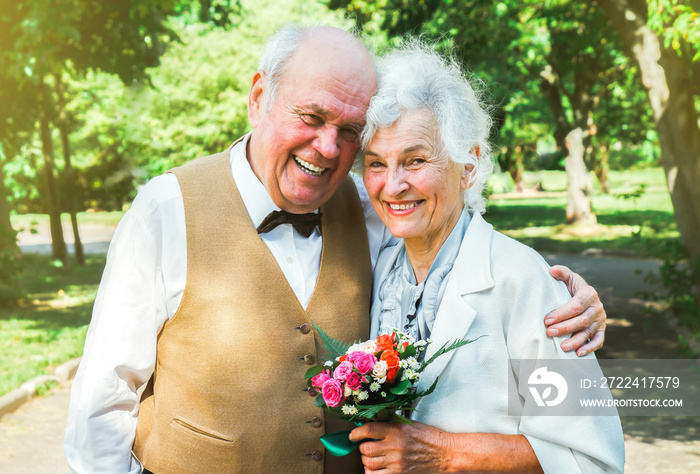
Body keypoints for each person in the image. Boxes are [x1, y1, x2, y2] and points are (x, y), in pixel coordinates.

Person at [64, 26, 609, 474]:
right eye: (311, 117)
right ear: (258, 99)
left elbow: (589, 452)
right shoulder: (167, 209)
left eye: (350, 130)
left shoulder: (388, 222)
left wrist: (566, 294)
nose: (329, 149)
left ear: (468, 163)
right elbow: (102, 401)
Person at [349, 43, 624, 473]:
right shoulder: (380, 266)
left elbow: (591, 458)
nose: (393, 184)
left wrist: (441, 454)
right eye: (376, 164)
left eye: (416, 160)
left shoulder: (521, 281)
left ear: (470, 165)